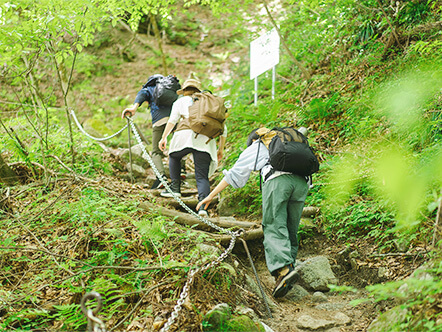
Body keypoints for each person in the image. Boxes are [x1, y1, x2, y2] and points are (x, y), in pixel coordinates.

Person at [196, 127, 309, 298]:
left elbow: (234, 175)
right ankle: (288, 269)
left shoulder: (258, 145)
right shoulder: (290, 141)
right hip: (302, 183)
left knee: (273, 224)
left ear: (255, 140)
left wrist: (210, 196)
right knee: (290, 226)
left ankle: (283, 269)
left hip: (277, 181)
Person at [158, 78, 227, 217]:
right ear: (198, 90)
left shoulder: (180, 102)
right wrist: (220, 149)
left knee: (174, 156)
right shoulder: (207, 102)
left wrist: (163, 137)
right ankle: (203, 208)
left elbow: (172, 121)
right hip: (205, 140)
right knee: (202, 176)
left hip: (183, 136)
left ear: (184, 91)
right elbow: (224, 129)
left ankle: (175, 187)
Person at [121, 74, 172, 189]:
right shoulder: (169, 88)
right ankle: (181, 172)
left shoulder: (148, 89)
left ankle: (161, 177)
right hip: (174, 120)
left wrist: (134, 108)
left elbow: (141, 95)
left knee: (155, 151)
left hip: (159, 120)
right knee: (177, 146)